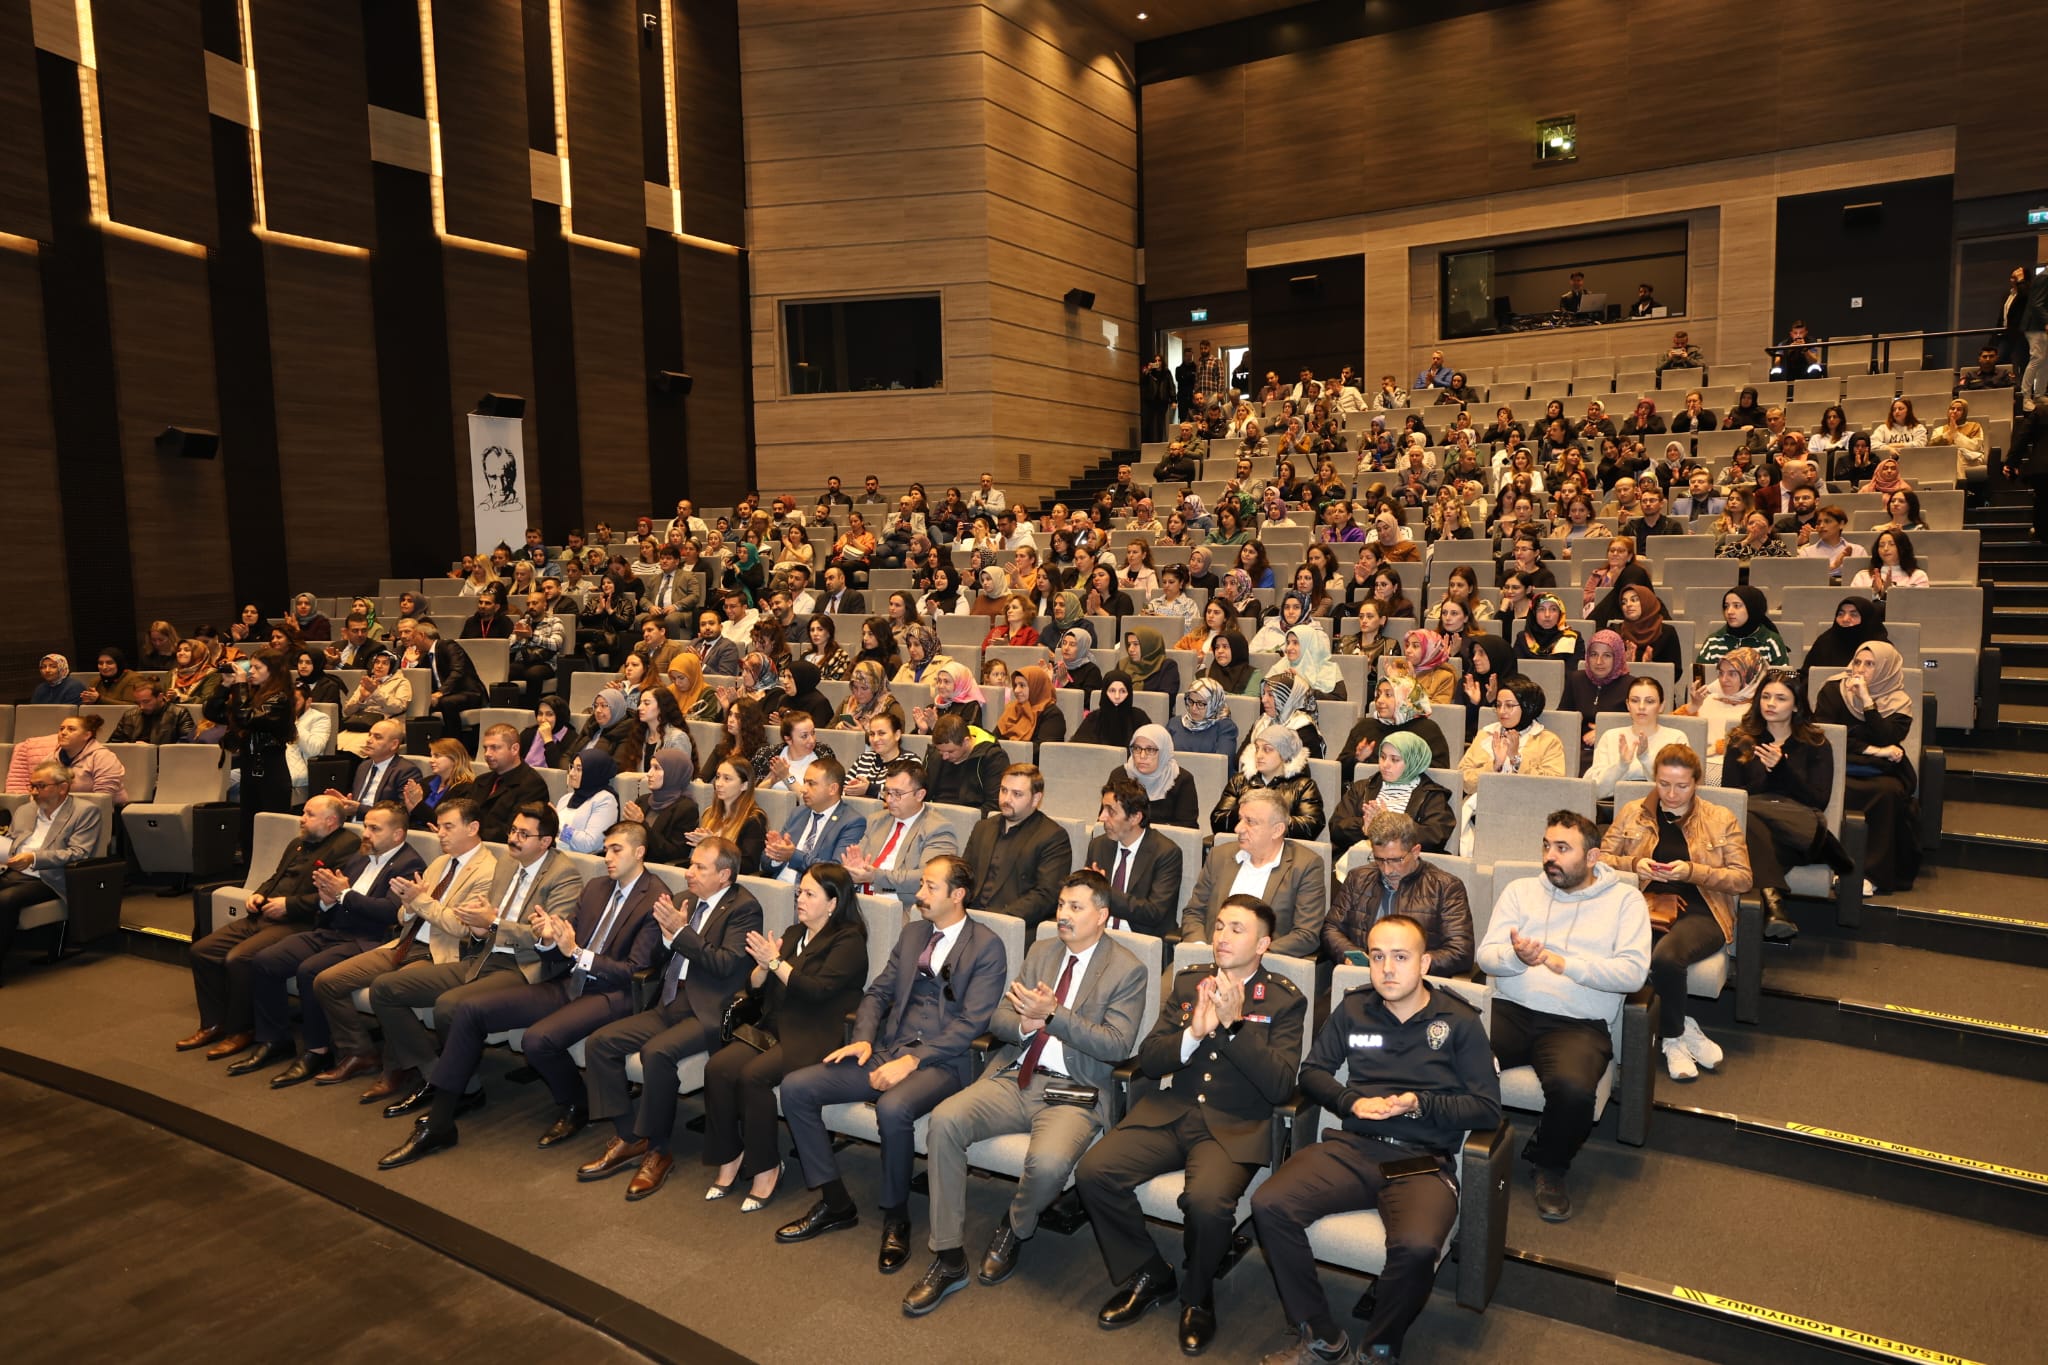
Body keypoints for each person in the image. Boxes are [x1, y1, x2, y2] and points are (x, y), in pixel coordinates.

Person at [1253, 913, 1499, 1365]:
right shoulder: (1353, 1008)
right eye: (1378, 957)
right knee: (1270, 1205)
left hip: (1422, 1161)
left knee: (1418, 1247)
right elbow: (1312, 1073)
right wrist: (1350, 1102)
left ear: (1424, 963)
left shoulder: (1459, 1021)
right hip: (1353, 1146)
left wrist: (1419, 1103)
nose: (1387, 969)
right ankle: (1322, 1338)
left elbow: (1487, 1108)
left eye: (1400, 957)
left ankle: (1379, 1349)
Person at [905, 869, 1149, 1315]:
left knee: (1050, 1162)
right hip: (1016, 1075)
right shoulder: (1041, 951)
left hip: (1074, 1092)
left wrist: (1054, 1016)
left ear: (1102, 916)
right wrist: (1023, 1024)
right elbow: (997, 1019)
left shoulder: (1127, 969)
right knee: (945, 1120)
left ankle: (1015, 1226)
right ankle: (948, 1255)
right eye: (1060, 905)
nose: (1063, 915)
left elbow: (1117, 1045)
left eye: (1075, 907)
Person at [1075, 896, 1304, 1354]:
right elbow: (1152, 1057)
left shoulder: (1282, 998)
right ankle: (1150, 1273)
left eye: (1237, 929)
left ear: (1263, 943)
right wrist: (1193, 1034)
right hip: (1172, 1110)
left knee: (1206, 1203)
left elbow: (1281, 1086)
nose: (1221, 936)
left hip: (1234, 1124)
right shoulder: (1189, 982)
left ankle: (1197, 1297)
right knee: (1093, 1172)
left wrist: (1234, 1027)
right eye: (1219, 926)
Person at [774, 855, 1008, 1272]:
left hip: (945, 1063)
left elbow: (972, 1024)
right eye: (921, 885)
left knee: (894, 1107)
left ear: (957, 895)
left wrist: (913, 1061)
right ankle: (835, 1201)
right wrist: (863, 1040)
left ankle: (896, 1215)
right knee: (796, 1087)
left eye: (930, 888)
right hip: (888, 1047)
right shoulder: (915, 932)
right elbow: (877, 993)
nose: (919, 895)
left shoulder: (987, 946)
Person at [368, 803, 605, 1164]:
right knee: (386, 988)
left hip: (525, 969)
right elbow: (483, 924)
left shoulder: (564, 875)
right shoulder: (506, 864)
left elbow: (550, 940)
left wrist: (493, 924)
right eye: (512, 830)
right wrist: (480, 926)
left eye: (523, 835)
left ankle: (444, 1114)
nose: (512, 839)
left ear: (545, 842)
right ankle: (446, 1078)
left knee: (454, 1006)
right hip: (480, 958)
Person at [1475, 811, 1650, 1221]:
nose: (1549, 856)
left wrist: (1564, 963)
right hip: (1511, 1009)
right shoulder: (1521, 892)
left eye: (1562, 848)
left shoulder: (1626, 900)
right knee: (1449, 1051)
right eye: (1546, 845)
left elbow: (1632, 972)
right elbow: (1486, 955)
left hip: (1578, 1024)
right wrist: (1516, 959)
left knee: (1573, 1092)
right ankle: (1450, 1145)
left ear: (1592, 857)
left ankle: (1549, 1164)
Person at [569, 835, 761, 1197]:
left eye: (699, 868)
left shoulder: (744, 908)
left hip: (709, 1010)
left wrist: (682, 932)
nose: (689, 873)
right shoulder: (683, 900)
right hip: (669, 1002)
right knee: (601, 1043)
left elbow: (725, 964)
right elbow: (655, 958)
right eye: (690, 864)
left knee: (657, 1053)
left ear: (724, 876)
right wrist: (664, 934)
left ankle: (658, 1150)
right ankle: (630, 1135)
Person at [701, 862, 869, 1213]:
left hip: (815, 1031)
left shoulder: (849, 941)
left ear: (833, 903)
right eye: (799, 893)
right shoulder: (794, 933)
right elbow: (756, 990)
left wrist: (776, 962)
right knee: (718, 1067)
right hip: (775, 1026)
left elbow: (817, 991)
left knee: (753, 1076)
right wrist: (762, 969)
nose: (800, 900)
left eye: (810, 894)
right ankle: (730, 1155)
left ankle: (766, 1166)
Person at [239, 799, 428, 1087]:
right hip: (332, 931)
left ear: (397, 835)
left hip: (368, 940)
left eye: (375, 829)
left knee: (310, 970)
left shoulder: (408, 863)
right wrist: (328, 901)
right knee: (266, 960)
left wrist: (344, 894)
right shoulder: (360, 857)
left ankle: (318, 1050)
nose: (366, 834)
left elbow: (391, 913)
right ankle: (274, 1038)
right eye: (366, 826)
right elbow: (336, 900)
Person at [1600, 745, 1753, 1082]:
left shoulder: (1719, 818)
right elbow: (1599, 859)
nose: (1671, 794)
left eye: (1682, 786)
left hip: (1703, 908)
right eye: (1664, 784)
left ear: (1697, 782)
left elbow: (1743, 878)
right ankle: (1682, 1030)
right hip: (1646, 906)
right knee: (1634, 959)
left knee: (1667, 959)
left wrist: (1692, 872)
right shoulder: (1632, 812)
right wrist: (1635, 866)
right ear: (1655, 778)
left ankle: (1670, 1038)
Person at [175, 796, 359, 1061]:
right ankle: (214, 1023)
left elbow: (334, 895)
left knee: (239, 958)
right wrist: (258, 894)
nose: (302, 818)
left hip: (301, 922)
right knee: (202, 950)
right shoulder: (298, 843)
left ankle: (242, 1029)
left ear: (331, 821)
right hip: (266, 914)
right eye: (304, 813)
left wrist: (290, 905)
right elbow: (276, 878)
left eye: (309, 814)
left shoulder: (346, 846)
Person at [1723, 671, 1852, 941]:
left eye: (1781, 698)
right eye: (1766, 696)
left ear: (1795, 705)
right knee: (1748, 821)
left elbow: (1818, 800)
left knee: (1748, 820)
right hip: (1760, 829)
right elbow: (1732, 796)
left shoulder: (1816, 743)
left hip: (1800, 828)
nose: (1770, 703)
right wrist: (1768, 774)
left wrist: (1781, 769)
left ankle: (1770, 905)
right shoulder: (1740, 740)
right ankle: (1773, 903)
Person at [1813, 642, 1920, 895]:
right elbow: (1826, 735)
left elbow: (1886, 737)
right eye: (1857, 662)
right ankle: (1828, 866)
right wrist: (1873, 749)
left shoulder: (1899, 702)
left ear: (1886, 668)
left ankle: (1870, 874)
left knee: (1887, 793)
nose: (1859, 669)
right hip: (1838, 761)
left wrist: (1867, 701)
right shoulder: (1833, 689)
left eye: (1870, 664)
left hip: (1881, 770)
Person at [1323, 808, 1474, 978]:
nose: (1387, 870)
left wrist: (1405, 963)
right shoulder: (1357, 878)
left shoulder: (1445, 887)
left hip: (1417, 984)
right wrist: (1350, 954)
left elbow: (1461, 952)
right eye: (1379, 860)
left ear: (1415, 851)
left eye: (1396, 860)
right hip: (1362, 979)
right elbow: (1331, 928)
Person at [1180, 789, 1327, 958]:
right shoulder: (1219, 856)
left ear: (1277, 830)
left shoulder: (1305, 865)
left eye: (1250, 822)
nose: (1238, 828)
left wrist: (1252, 955)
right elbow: (1194, 912)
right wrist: (1199, 948)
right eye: (1240, 819)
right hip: (1210, 956)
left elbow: (1306, 935)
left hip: (1264, 965)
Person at [0, 761, 104, 985]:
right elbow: (11, 841)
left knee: (6, 900)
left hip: (50, 878)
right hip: (12, 871)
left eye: (40, 786)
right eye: (32, 786)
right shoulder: (24, 810)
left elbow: (79, 853)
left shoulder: (85, 812)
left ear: (62, 787)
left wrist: (34, 858)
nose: (34, 792)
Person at [961, 765, 1074, 940]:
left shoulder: (1053, 836)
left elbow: (1047, 895)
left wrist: (998, 920)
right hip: (969, 919)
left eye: (1017, 794)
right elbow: (963, 874)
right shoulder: (983, 827)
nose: (1006, 799)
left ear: (1036, 798)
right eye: (1003, 790)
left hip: (1014, 927)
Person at [205, 649, 298, 859]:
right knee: (248, 829)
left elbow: (245, 717)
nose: (251, 672)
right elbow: (213, 713)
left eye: (258, 667)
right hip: (250, 769)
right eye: (251, 666)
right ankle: (250, 876)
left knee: (273, 830)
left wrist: (240, 685)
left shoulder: (280, 699)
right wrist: (226, 685)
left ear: (273, 671)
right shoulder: (252, 695)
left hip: (271, 773)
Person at [1329, 730, 1454, 866]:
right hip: (1359, 863)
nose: (1385, 764)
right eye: (1382, 757)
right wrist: (1364, 828)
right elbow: (1336, 828)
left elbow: (1435, 837)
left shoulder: (1431, 794)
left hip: (1407, 869)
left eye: (1395, 759)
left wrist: (1390, 825)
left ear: (1413, 762)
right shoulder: (1362, 788)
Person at [1086, 773, 1184, 937]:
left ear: (1135, 817)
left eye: (1111, 811)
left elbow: (1154, 913)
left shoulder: (1166, 853)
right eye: (1103, 808)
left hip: (1139, 940)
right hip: (1098, 936)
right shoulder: (1099, 845)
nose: (1101, 817)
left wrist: (1105, 892)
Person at [760, 755, 867, 884]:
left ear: (832, 789)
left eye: (811, 784)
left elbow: (836, 870)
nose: (803, 789)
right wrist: (777, 855)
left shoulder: (852, 822)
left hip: (814, 894)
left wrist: (793, 856)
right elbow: (765, 863)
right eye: (804, 782)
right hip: (779, 888)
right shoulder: (798, 812)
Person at [1213, 727, 1325, 840]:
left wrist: (1267, 819)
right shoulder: (1240, 781)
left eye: (1267, 749)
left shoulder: (1304, 786)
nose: (1259, 755)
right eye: (1257, 749)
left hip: (1283, 851)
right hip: (1241, 845)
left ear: (1284, 755)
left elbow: (1310, 826)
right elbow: (1218, 821)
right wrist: (1246, 812)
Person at [1586, 675, 1686, 800]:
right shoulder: (1610, 736)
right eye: (1635, 700)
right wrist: (1622, 765)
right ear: (1628, 705)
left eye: (1649, 701)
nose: (1641, 707)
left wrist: (1645, 759)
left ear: (1661, 706)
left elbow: (1678, 790)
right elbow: (1595, 792)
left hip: (1661, 809)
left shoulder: (1676, 738)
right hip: (1615, 807)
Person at [926, 713, 1008, 815]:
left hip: (970, 820)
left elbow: (995, 805)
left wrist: (963, 820)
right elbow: (921, 791)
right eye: (940, 751)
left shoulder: (992, 757)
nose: (944, 757)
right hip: (934, 817)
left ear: (966, 741)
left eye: (951, 752)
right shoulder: (935, 753)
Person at [1124, 722, 1198, 828]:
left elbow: (1188, 828)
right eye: (1137, 748)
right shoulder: (1121, 775)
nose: (1142, 756)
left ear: (1164, 751)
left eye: (1150, 750)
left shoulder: (1182, 780)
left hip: (1167, 842)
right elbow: (1106, 818)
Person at [1696, 586, 1789, 668]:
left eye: (1736, 606)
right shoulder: (1713, 641)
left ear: (1752, 608)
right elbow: (1699, 679)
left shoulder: (1771, 641)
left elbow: (1783, 681)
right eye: (1726, 606)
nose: (1729, 611)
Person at [553, 751, 621, 854]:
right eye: (572, 767)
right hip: (554, 854)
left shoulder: (605, 800)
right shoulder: (565, 799)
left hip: (579, 862)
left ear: (593, 772)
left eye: (579, 769)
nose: (571, 773)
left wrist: (558, 824)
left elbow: (589, 844)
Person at [995, 665, 1065, 749]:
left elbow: (1042, 751)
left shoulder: (1053, 715)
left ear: (1036, 686)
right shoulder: (1013, 708)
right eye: (1015, 685)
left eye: (1022, 685)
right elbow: (994, 739)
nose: (1016, 690)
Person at [1169, 678, 1239, 757]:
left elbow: (1223, 764)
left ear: (1214, 704)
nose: (1193, 708)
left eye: (1201, 704)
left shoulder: (1225, 727)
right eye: (1191, 701)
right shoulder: (1174, 723)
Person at [1850, 530, 1932, 593]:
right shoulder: (1862, 576)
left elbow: (1919, 604)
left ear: (1902, 548)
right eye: (1881, 545)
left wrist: (1889, 593)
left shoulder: (1918, 576)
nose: (1885, 549)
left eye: (1891, 544)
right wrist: (1874, 593)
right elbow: (1853, 605)